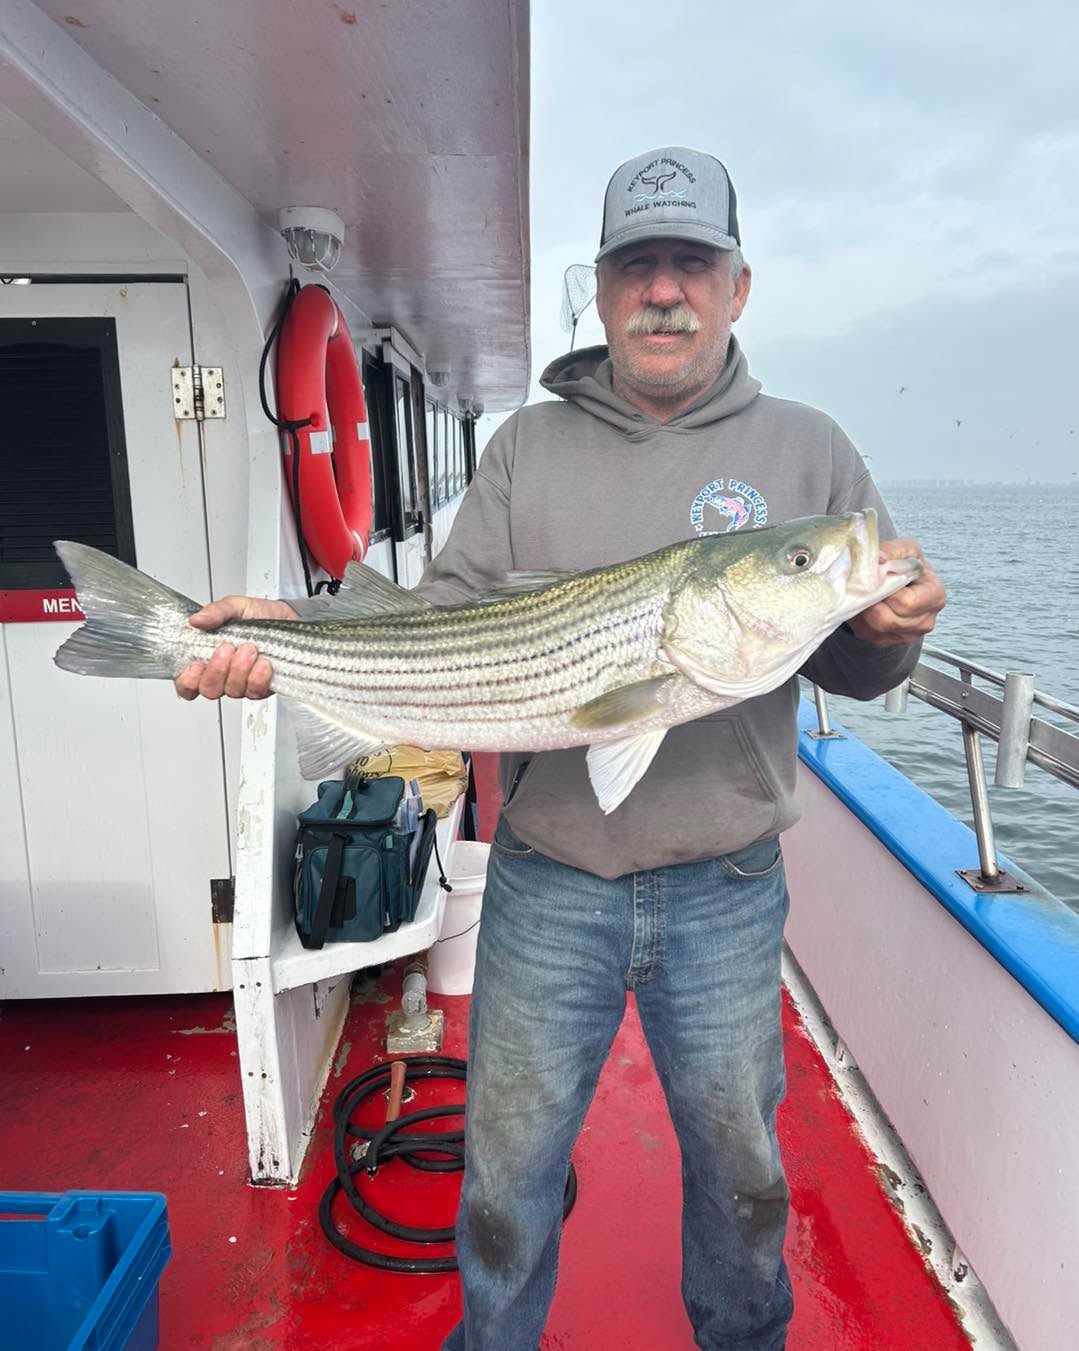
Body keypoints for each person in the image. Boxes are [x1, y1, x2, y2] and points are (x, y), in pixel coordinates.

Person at [177, 146, 945, 1350]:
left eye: (691, 264)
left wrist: (890, 633)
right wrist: (295, 635)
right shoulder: (525, 447)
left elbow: (852, 659)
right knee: (504, 1175)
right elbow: (437, 624)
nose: (663, 291)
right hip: (547, 883)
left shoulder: (811, 454)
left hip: (727, 888)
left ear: (737, 286)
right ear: (600, 286)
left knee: (743, 1178)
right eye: (637, 266)